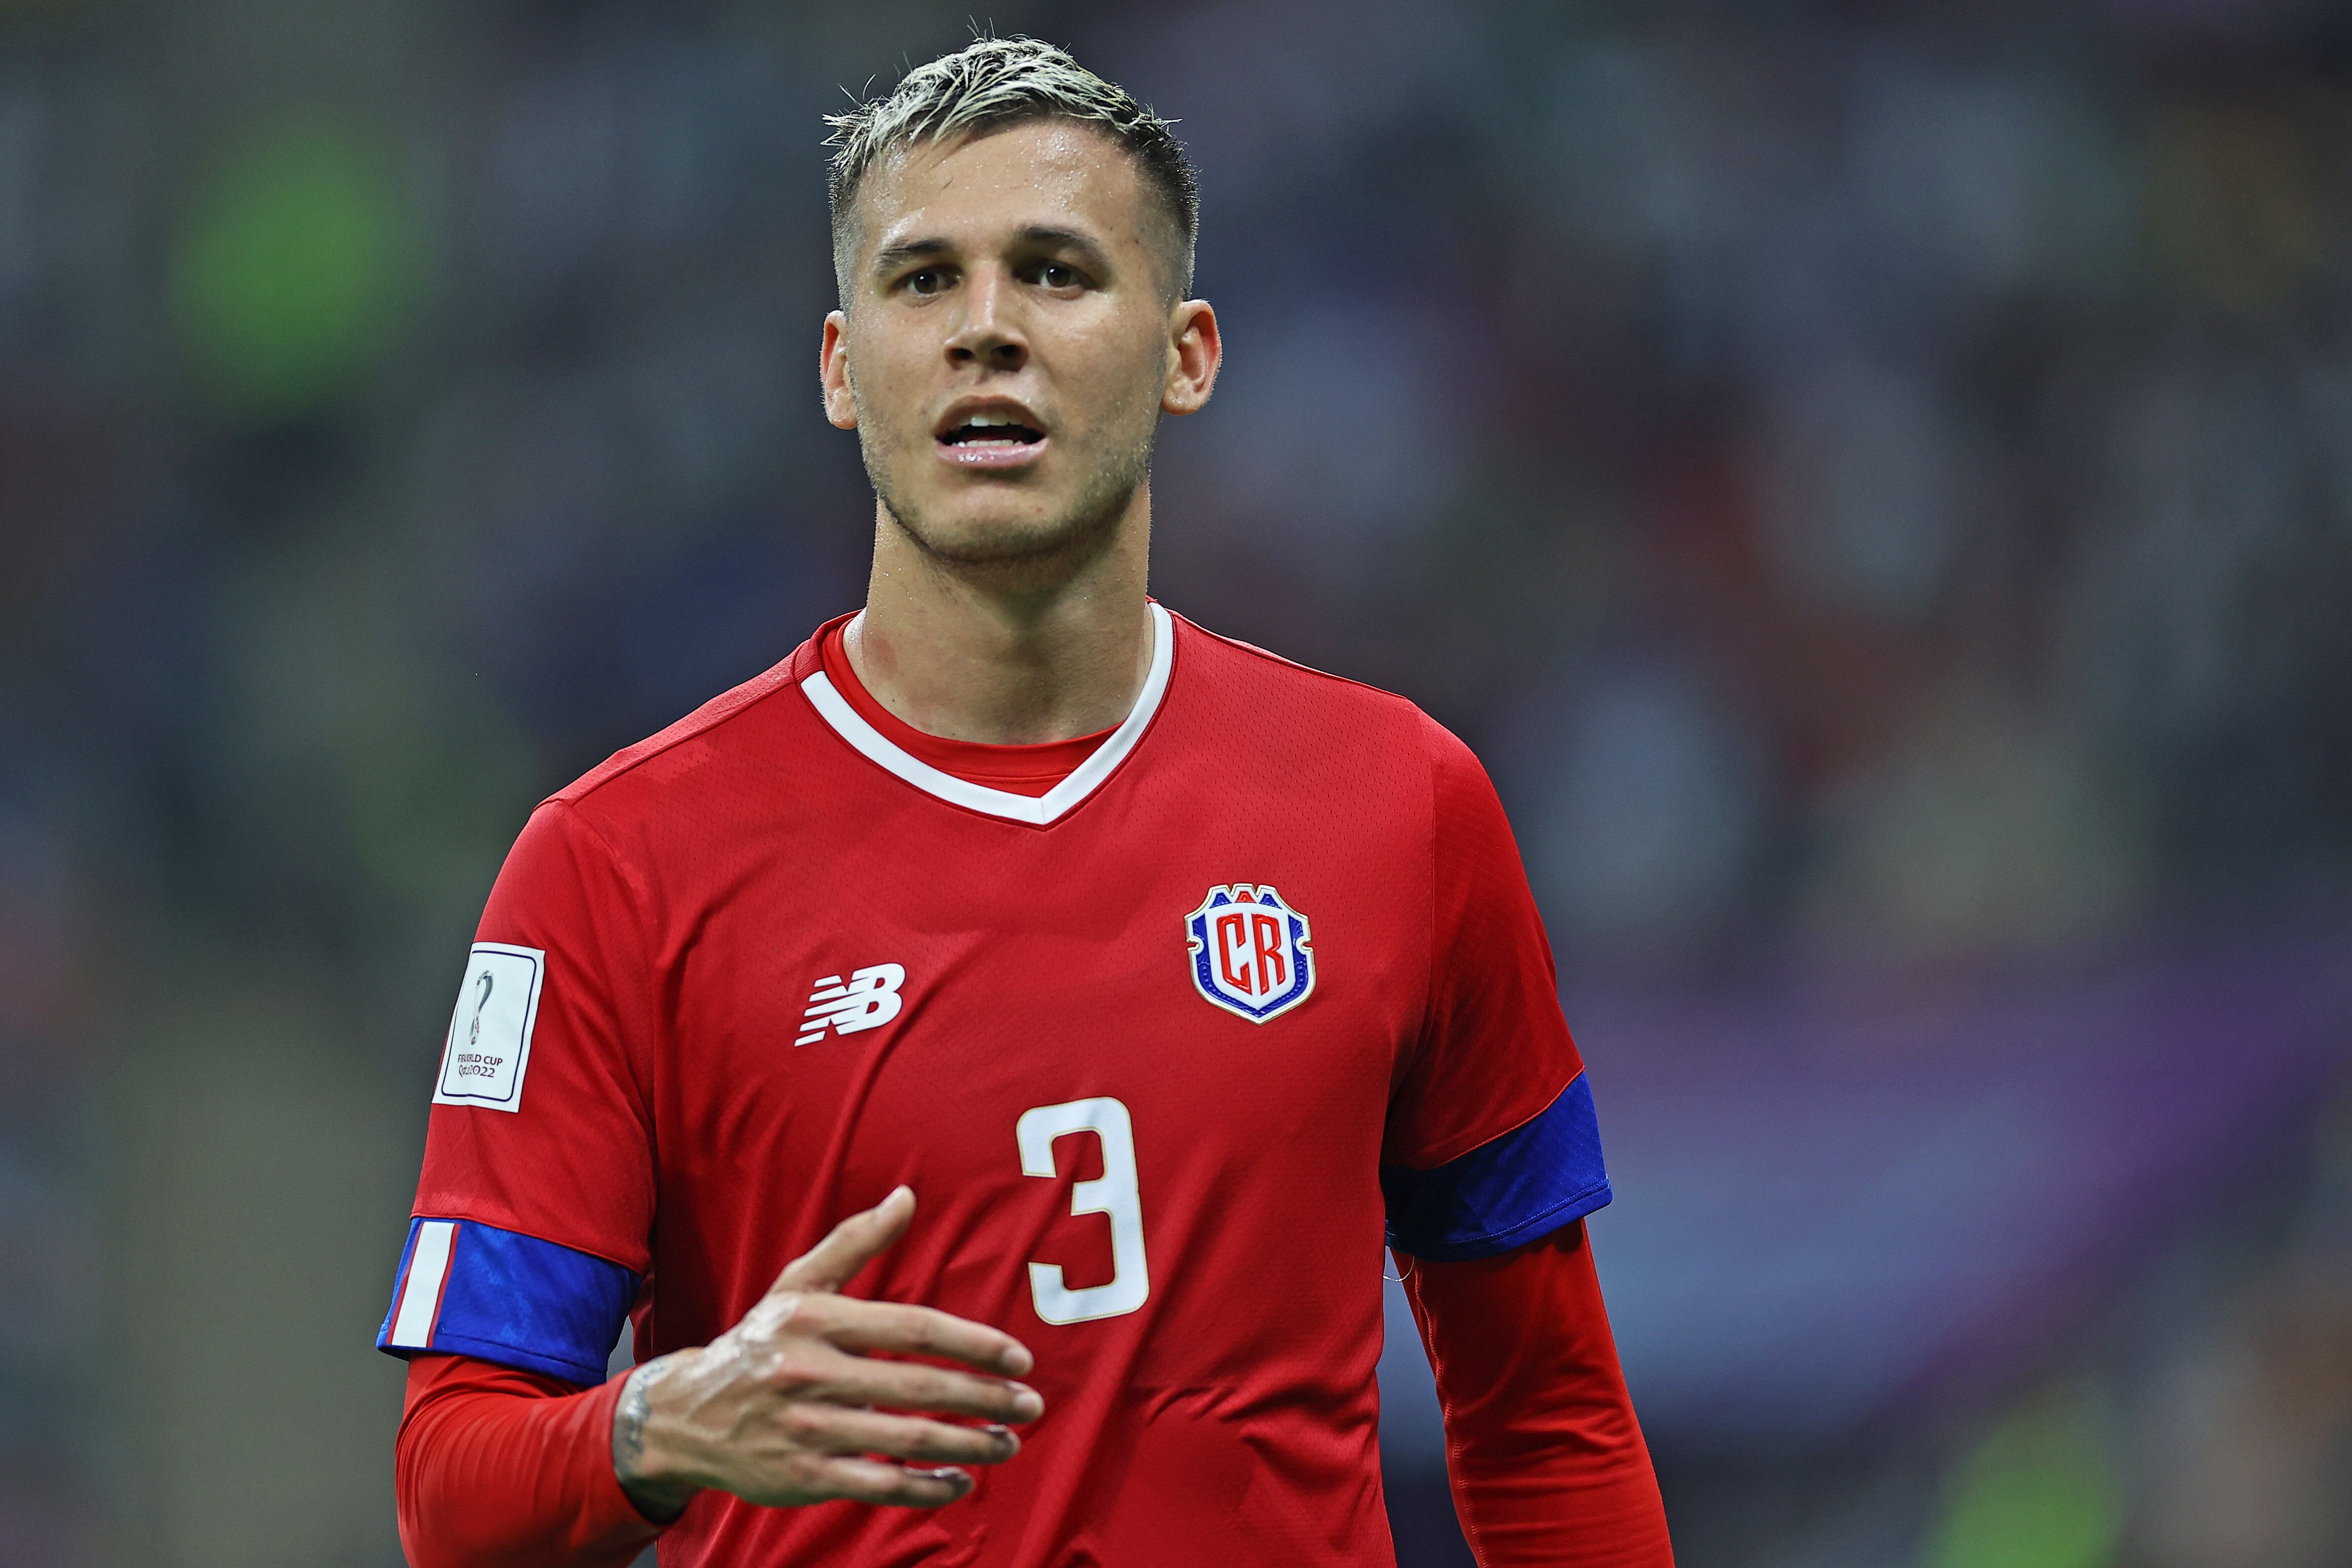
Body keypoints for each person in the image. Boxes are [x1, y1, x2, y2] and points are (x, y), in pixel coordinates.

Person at [380, 35, 1673, 1568]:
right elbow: (449, 1489)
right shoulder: (613, 866)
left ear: (1185, 352)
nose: (985, 329)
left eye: (1055, 271)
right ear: (841, 368)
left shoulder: (1401, 806)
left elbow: (1547, 1414)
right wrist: (656, 1428)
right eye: (924, 281)